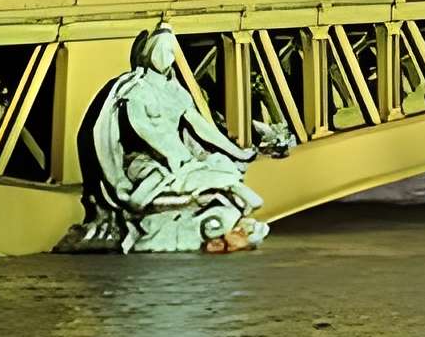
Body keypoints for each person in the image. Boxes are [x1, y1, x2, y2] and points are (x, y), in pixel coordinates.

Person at [75, 25, 296, 252]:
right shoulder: (136, 90)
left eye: (171, 52)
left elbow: (202, 128)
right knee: (216, 184)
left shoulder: (175, 91)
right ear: (147, 55)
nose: (167, 57)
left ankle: (221, 224)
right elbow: (144, 130)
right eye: (162, 52)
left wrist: (237, 152)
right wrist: (173, 157)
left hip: (179, 161)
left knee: (228, 175)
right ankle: (215, 226)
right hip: (148, 164)